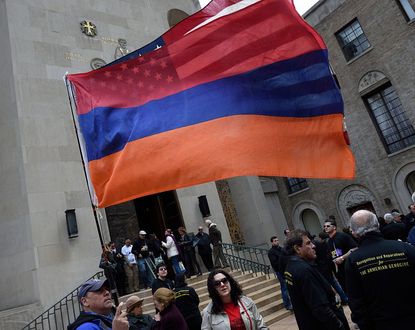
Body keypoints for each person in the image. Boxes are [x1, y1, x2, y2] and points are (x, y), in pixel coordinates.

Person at [345, 210, 415, 330]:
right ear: (378, 225)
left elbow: (356, 302)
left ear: (355, 233)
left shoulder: (353, 261)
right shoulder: (405, 248)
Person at [284, 229, 349, 330]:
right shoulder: (304, 270)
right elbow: (320, 307)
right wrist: (339, 326)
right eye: (308, 243)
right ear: (297, 249)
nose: (313, 246)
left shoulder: (292, 266)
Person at [201, 269, 267, 329]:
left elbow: (261, 326)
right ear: (213, 288)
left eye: (224, 280)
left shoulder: (247, 302)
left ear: (230, 282)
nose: (222, 284)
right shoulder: (208, 312)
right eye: (217, 283)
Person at [313, 233, 348, 305]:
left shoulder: (324, 244)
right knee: (335, 283)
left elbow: (336, 252)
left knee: (331, 284)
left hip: (327, 266)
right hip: (331, 264)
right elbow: (334, 253)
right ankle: (345, 298)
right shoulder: (326, 243)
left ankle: (339, 300)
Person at [324, 219, 357, 291]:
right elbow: (333, 254)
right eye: (324, 226)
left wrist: (342, 257)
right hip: (339, 273)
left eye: (328, 226)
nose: (325, 227)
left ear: (334, 227)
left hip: (349, 268)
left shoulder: (343, 236)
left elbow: (355, 248)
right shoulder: (329, 241)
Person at [267, 236, 292, 310]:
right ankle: (287, 304)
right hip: (279, 271)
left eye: (277, 240)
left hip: (286, 269)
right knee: (284, 287)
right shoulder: (271, 252)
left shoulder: (281, 249)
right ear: (272, 242)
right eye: (275, 241)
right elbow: (275, 263)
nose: (277, 242)